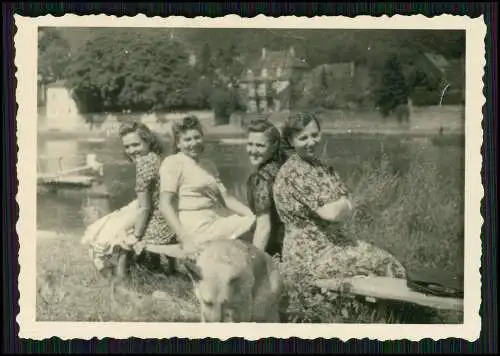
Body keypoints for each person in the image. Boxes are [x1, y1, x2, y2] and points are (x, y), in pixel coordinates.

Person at [272, 111, 406, 322]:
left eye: (315, 135)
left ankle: (382, 316)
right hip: (309, 256)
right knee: (385, 263)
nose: (311, 142)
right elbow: (332, 213)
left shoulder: (321, 167)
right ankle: (385, 320)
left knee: (389, 262)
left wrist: (342, 204)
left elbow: (343, 201)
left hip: (332, 245)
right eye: (303, 137)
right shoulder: (294, 172)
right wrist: (345, 204)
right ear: (290, 140)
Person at [83, 122, 177, 281]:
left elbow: (145, 207)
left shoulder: (144, 164)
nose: (132, 150)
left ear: (148, 141)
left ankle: (120, 279)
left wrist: (136, 234)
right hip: (164, 215)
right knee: (113, 222)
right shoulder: (155, 158)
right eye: (127, 147)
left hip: (157, 220)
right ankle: (146, 268)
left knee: (109, 235)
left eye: (136, 144)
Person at [158, 115, 255, 256]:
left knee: (257, 223)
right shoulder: (174, 162)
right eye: (187, 139)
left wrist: (252, 215)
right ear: (178, 144)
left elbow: (227, 200)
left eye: (197, 137)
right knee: (254, 229)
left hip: (214, 219)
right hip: (196, 226)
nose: (194, 143)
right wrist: (184, 239)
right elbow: (165, 204)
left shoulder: (208, 165)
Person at [245, 117, 287, 259]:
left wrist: (254, 264)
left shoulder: (261, 178)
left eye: (260, 146)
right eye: (250, 144)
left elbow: (264, 227)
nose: (253, 150)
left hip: (277, 246)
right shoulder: (283, 165)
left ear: (274, 145)